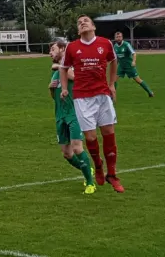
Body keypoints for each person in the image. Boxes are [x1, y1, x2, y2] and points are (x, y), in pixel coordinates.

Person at [60, 15, 124, 193]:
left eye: (85, 21)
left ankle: (112, 174)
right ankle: (98, 166)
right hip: (82, 97)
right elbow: (63, 68)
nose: (82, 23)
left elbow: (113, 61)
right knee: (90, 138)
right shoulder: (72, 47)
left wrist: (111, 84)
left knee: (109, 132)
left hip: (102, 95)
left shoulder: (105, 43)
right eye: (79, 23)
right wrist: (64, 88)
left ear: (93, 26)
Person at [49, 39, 96, 195]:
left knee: (76, 148)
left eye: (53, 50)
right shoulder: (56, 72)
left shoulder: (71, 66)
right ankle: (87, 168)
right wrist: (51, 89)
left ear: (63, 49)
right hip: (60, 115)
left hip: (75, 113)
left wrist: (60, 67)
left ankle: (90, 183)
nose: (50, 53)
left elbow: (76, 77)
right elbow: (55, 96)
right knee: (67, 153)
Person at [113, 32, 154, 97]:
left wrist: (134, 61)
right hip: (121, 66)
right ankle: (113, 95)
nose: (118, 38)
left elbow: (134, 53)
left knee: (138, 80)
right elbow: (117, 57)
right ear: (115, 38)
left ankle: (150, 92)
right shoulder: (115, 46)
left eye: (120, 37)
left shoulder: (126, 45)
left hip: (129, 66)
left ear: (122, 37)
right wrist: (115, 65)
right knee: (114, 80)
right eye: (117, 37)